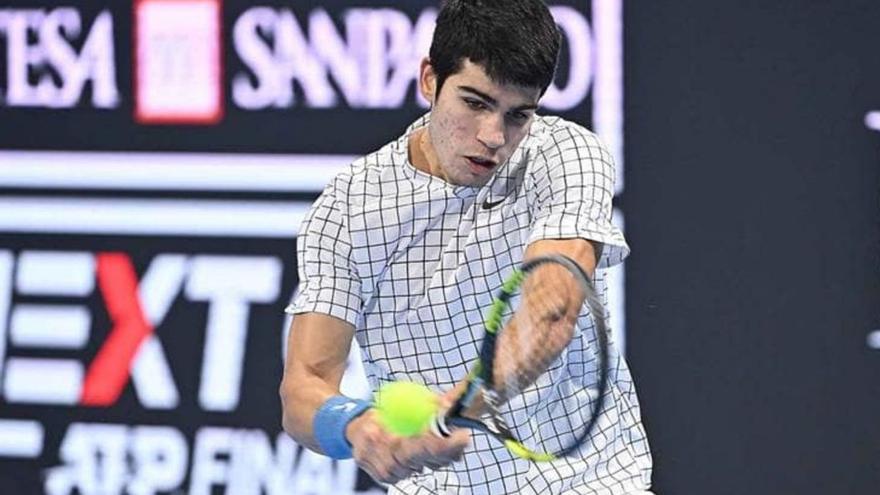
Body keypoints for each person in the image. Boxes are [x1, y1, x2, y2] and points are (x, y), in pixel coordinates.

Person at [280, 0, 653, 493]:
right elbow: (304, 386)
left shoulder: (568, 154)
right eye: (474, 103)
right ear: (430, 80)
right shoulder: (349, 206)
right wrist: (355, 427)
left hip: (589, 482)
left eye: (518, 114)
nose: (493, 137)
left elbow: (551, 309)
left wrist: (462, 406)